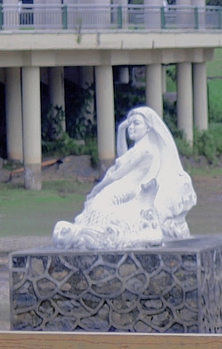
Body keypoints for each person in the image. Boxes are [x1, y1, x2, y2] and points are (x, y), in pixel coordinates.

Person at [52, 105, 196, 249]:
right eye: (130, 124)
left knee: (98, 205)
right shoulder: (141, 148)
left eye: (136, 123)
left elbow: (118, 170)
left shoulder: (144, 150)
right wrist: (121, 130)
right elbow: (123, 156)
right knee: (96, 207)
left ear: (148, 128)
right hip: (124, 189)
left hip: (128, 190)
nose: (131, 127)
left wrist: (99, 188)